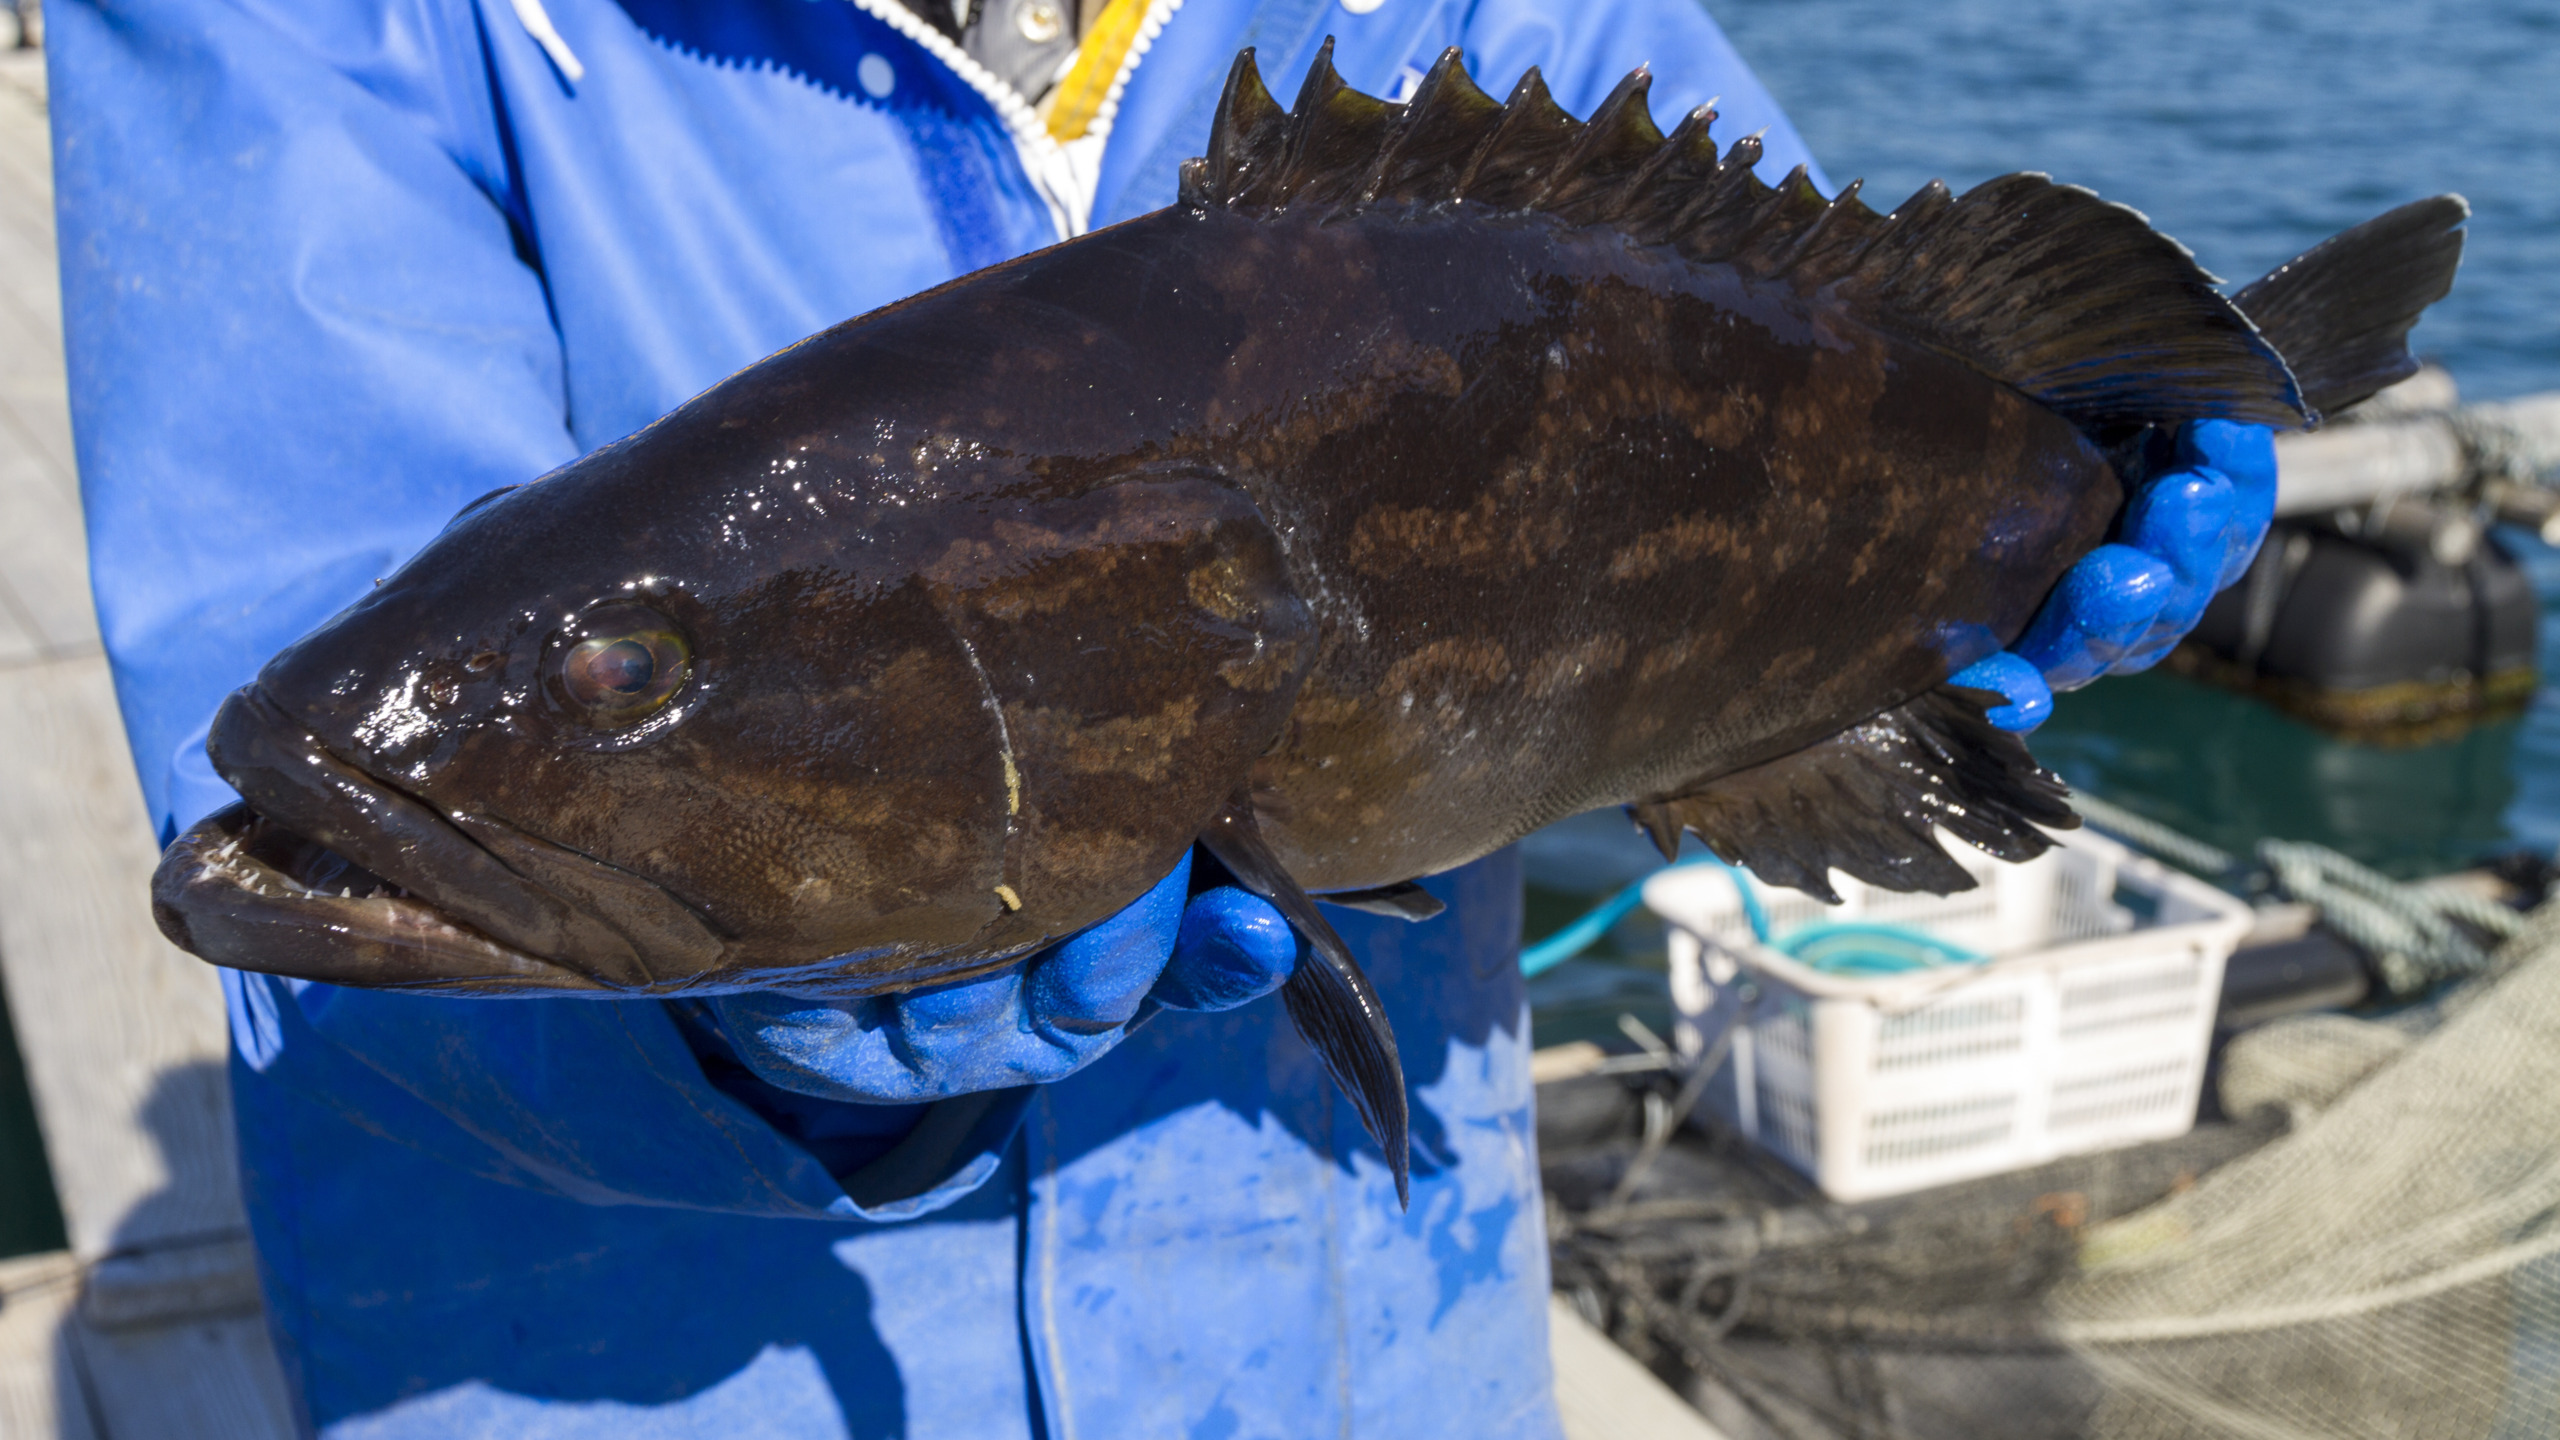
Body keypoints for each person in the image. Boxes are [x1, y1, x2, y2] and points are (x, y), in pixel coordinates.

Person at [46, 0, 2273, 1433]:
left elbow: (1778, 325)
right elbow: (310, 625)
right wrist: (735, 1011)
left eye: (628, 674)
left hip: (1352, 1334)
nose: (612, 691)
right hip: (611, 1363)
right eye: (639, 673)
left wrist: (2068, 464)